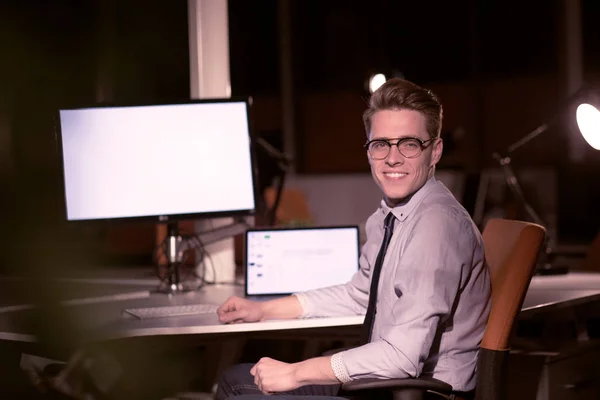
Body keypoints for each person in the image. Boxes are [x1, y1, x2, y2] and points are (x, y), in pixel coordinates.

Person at [215, 78, 491, 400]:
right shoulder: (390, 217)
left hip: (420, 393)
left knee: (244, 394)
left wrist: (295, 372)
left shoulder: (436, 227)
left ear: (435, 152)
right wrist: (264, 310)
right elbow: (359, 295)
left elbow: (401, 359)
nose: (392, 158)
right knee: (236, 379)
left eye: (409, 144)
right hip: (390, 384)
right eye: (381, 144)